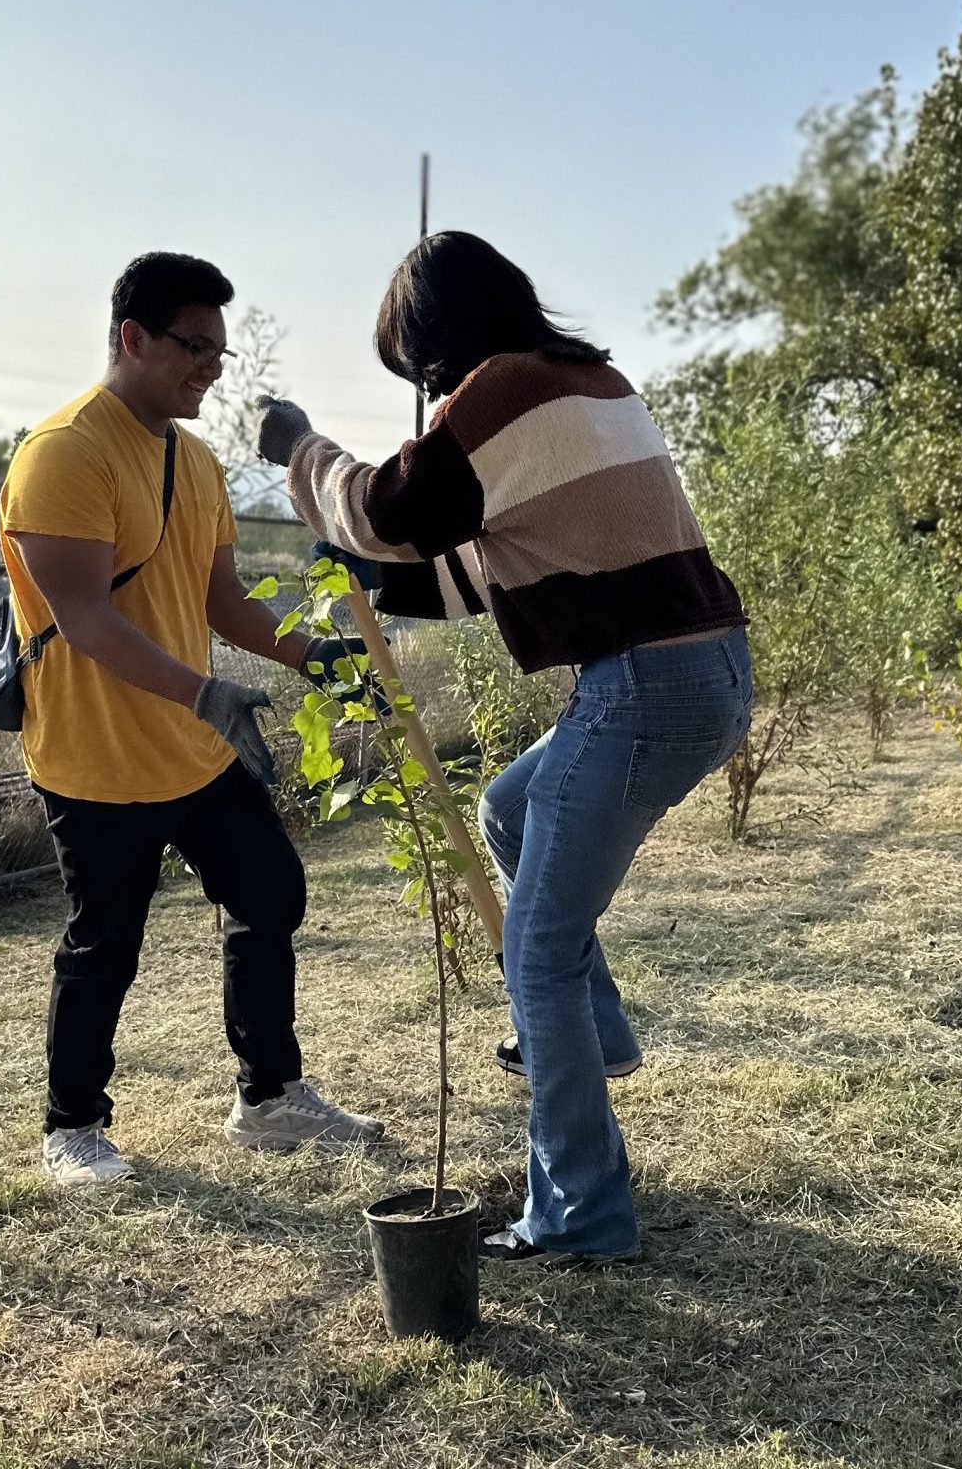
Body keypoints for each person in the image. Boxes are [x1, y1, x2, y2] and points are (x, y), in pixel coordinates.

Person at [255, 231, 750, 1264]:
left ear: (444, 344)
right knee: (509, 809)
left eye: (425, 370)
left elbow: (394, 512)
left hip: (642, 682)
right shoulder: (590, 385)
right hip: (704, 669)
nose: (433, 393)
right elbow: (488, 568)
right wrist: (369, 578)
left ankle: (581, 1216)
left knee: (536, 959)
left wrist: (304, 454)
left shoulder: (503, 390)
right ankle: (597, 1033)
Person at [0, 250, 381, 1188]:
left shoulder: (196, 460)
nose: (212, 366)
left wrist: (310, 657)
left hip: (191, 746)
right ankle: (73, 1127)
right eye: (193, 346)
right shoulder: (63, 454)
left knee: (269, 895)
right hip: (94, 754)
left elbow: (225, 604)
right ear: (131, 337)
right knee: (105, 945)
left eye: (219, 349)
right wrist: (205, 692)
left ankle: (269, 1097)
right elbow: (82, 616)